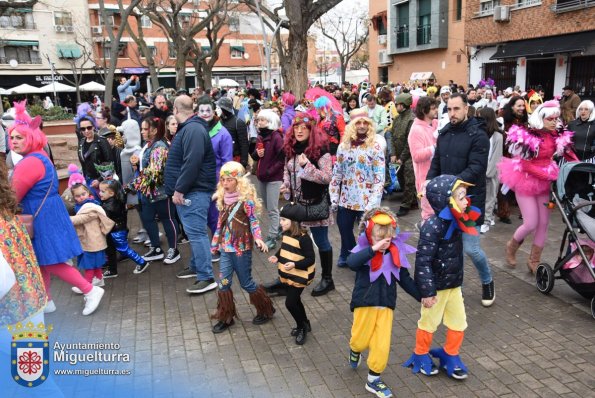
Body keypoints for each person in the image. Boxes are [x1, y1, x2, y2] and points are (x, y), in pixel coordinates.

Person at [9, 100, 104, 316]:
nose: (14, 141)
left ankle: (90, 290)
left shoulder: (29, 162)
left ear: (30, 137)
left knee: (50, 261)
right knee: (42, 260)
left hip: (39, 217)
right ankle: (47, 299)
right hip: (46, 213)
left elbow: (12, 197)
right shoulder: (39, 157)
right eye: (12, 137)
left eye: (19, 137)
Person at [403, 175, 478, 381]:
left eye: (465, 197)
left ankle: (450, 354)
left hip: (454, 285)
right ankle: (420, 353)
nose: (466, 202)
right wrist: (427, 291)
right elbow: (423, 261)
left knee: (459, 322)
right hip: (436, 287)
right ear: (446, 200)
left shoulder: (456, 221)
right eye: (461, 197)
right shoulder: (433, 226)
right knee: (429, 322)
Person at [425, 93, 495, 307]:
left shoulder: (478, 135)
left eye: (457, 109)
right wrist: (429, 181)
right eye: (449, 109)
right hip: (447, 200)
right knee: (449, 249)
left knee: (471, 249)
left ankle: (488, 281)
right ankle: (456, 291)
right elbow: (436, 162)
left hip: (469, 200)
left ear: (466, 109)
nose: (452, 113)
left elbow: (476, 168)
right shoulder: (444, 133)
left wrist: (451, 183)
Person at [348, 207, 419, 398]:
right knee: (360, 339)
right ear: (369, 236)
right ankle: (354, 349)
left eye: (388, 238)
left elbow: (404, 279)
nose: (384, 242)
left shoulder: (395, 254)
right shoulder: (364, 252)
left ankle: (374, 379)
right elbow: (351, 262)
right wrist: (372, 250)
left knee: (381, 344)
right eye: (379, 238)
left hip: (386, 305)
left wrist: (422, 297)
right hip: (364, 304)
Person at [499, 101, 577, 273]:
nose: (554, 122)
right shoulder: (528, 135)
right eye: (550, 119)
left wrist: (579, 167)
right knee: (531, 222)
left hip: (544, 183)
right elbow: (525, 165)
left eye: (556, 119)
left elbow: (569, 154)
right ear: (541, 118)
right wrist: (548, 175)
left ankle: (534, 260)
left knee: (543, 223)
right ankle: (511, 246)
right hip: (525, 180)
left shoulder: (556, 134)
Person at [210, 161, 274, 333]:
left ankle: (266, 309)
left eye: (229, 180)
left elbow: (254, 221)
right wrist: (215, 244)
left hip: (241, 250)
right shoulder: (223, 199)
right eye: (223, 180)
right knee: (223, 283)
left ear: (239, 181)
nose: (225, 184)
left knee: (246, 283)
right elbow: (219, 225)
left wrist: (259, 238)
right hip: (226, 250)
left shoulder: (246, 201)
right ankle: (226, 317)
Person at [164, 95, 218, 294]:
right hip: (192, 191)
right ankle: (197, 266)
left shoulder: (193, 129)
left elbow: (192, 162)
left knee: (196, 234)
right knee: (195, 232)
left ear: (176, 110)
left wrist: (179, 189)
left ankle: (206, 276)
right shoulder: (192, 128)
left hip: (193, 192)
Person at [282, 112, 335, 296]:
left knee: (321, 242)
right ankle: (292, 274)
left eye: (303, 127)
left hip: (315, 206)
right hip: (297, 206)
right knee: (295, 241)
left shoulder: (321, 152)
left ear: (312, 131)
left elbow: (327, 178)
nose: (299, 130)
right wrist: (286, 185)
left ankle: (327, 279)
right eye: (296, 127)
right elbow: (287, 172)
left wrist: (307, 167)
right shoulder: (292, 149)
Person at [330, 108, 386, 268]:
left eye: (365, 122)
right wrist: (334, 196)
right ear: (352, 125)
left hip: (366, 200)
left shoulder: (375, 147)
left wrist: (373, 203)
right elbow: (337, 174)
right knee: (344, 230)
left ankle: (363, 258)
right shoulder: (343, 147)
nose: (362, 126)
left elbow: (379, 177)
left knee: (366, 234)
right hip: (346, 200)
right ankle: (346, 253)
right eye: (358, 123)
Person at [136, 117, 180, 265]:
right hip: (148, 192)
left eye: (145, 129)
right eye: (141, 129)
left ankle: (174, 249)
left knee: (168, 219)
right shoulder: (149, 144)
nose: (142, 131)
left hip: (161, 193)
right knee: (147, 219)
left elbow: (154, 173)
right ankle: (156, 248)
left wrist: (132, 186)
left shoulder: (159, 147)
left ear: (154, 130)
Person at [268, 208, 315, 345]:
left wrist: (295, 264)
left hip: (300, 276)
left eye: (283, 220)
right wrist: (277, 257)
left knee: (290, 303)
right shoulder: (287, 233)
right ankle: (305, 323)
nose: (280, 222)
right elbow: (283, 248)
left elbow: (310, 259)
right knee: (295, 301)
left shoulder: (304, 239)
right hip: (289, 275)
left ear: (293, 221)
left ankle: (302, 327)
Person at [196, 96, 234, 245]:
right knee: (203, 217)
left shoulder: (223, 133)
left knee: (215, 217)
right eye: (201, 110)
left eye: (208, 110)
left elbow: (227, 163)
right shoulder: (196, 130)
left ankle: (218, 246)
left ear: (214, 111)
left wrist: (224, 186)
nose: (205, 113)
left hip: (216, 183)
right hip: (199, 182)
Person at [69, 182, 114, 293]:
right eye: (77, 196)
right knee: (95, 263)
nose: (81, 197)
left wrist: (65, 219)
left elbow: (82, 219)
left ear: (88, 192)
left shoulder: (91, 206)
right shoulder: (82, 206)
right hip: (92, 240)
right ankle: (99, 279)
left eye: (83, 194)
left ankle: (86, 285)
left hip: (92, 240)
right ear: (74, 197)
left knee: (88, 264)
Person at [250, 108, 285, 250]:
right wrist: (257, 154)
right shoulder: (260, 137)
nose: (259, 122)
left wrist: (270, 171)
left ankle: (272, 237)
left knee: (272, 209)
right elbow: (254, 156)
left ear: (270, 122)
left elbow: (282, 159)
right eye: (258, 120)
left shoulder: (276, 137)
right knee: (268, 207)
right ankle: (278, 228)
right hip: (262, 177)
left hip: (273, 178)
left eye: (262, 120)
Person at [99, 179, 149, 277]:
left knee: (124, 249)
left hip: (117, 231)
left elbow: (103, 216)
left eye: (102, 191)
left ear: (112, 193)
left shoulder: (109, 206)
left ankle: (142, 262)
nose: (100, 193)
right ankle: (112, 270)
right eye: (100, 191)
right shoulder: (117, 198)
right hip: (114, 230)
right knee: (110, 250)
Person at [498, 96, 528, 224]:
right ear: (512, 107)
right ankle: (503, 213)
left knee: (522, 186)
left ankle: (524, 211)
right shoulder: (505, 122)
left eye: (523, 106)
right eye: (519, 106)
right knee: (505, 186)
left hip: (522, 158)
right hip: (507, 158)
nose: (521, 108)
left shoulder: (525, 122)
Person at [408, 96, 438, 222]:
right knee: (429, 216)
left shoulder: (437, 124)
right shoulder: (416, 130)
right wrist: (435, 148)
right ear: (424, 111)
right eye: (433, 108)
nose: (436, 110)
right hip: (425, 180)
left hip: (438, 176)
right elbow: (416, 156)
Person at [390, 92, 417, 217]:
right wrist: (393, 154)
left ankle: (405, 205)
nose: (396, 106)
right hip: (398, 156)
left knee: (409, 181)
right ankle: (413, 201)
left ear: (404, 104)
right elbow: (392, 137)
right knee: (400, 178)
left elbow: (409, 141)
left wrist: (402, 157)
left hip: (409, 156)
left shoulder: (411, 119)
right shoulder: (397, 118)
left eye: (398, 104)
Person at [477, 107, 503, 234]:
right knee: (482, 197)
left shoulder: (497, 136)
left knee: (490, 196)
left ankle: (486, 221)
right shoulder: (479, 133)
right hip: (480, 170)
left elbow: (496, 157)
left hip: (491, 172)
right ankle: (488, 217)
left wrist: (488, 173)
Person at [77, 115, 113, 198]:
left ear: (93, 127)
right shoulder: (81, 142)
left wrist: (99, 180)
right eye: (83, 129)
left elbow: (109, 163)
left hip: (102, 182)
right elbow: (83, 163)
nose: (86, 131)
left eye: (89, 127)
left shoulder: (102, 141)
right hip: (88, 180)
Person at [217, 96, 249, 168]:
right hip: (222, 158)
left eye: (218, 107)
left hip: (235, 159)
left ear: (223, 109)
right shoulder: (219, 121)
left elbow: (244, 143)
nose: (216, 110)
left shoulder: (238, 122)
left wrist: (244, 162)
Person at [314, 96, 346, 161]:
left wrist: (341, 149)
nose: (316, 109)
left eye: (317, 108)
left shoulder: (337, 117)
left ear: (322, 108)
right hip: (322, 148)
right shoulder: (319, 119)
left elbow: (343, 133)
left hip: (334, 148)